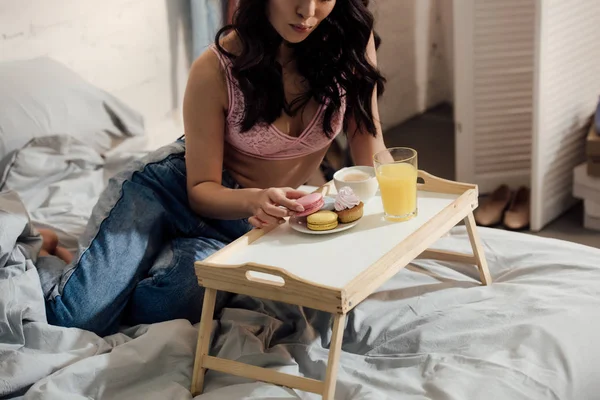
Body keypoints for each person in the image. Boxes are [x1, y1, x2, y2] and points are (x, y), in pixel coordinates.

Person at [43, 0, 388, 337]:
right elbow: (201, 190)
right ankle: (45, 251)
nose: (308, 11)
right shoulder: (217, 66)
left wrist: (407, 189)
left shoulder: (352, 44)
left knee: (161, 309)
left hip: (239, 221)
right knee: (75, 319)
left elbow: (371, 149)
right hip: (169, 192)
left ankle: (114, 265)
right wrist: (255, 200)